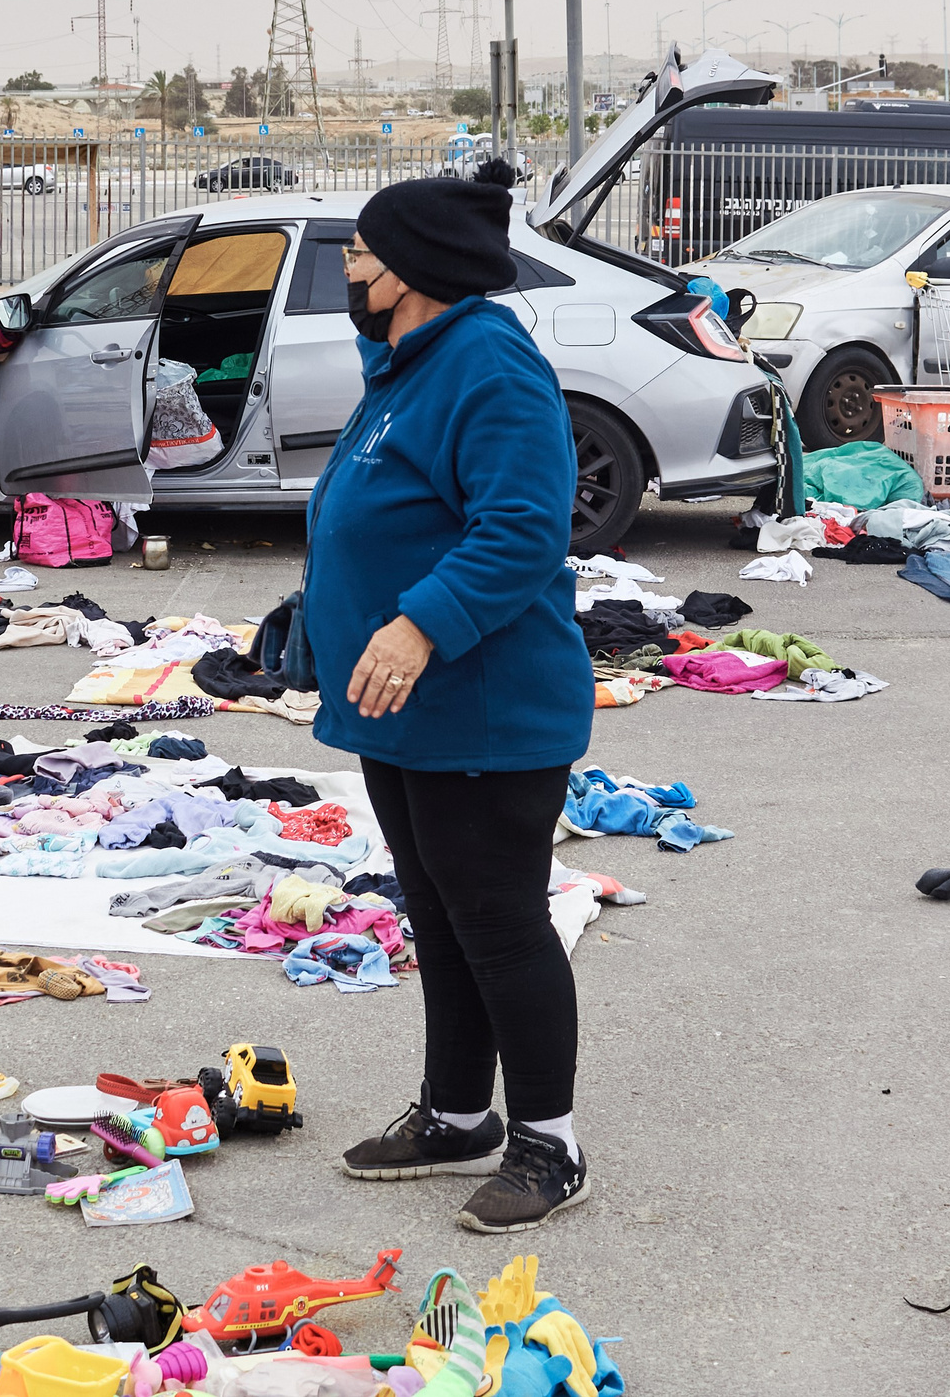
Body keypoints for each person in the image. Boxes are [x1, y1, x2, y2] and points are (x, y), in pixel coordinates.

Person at [305, 160, 595, 1234]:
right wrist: (316, 616)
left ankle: (550, 1143)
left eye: (358, 253)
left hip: (483, 702)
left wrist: (419, 621)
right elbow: (382, 510)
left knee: (500, 920)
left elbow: (523, 528)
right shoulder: (408, 362)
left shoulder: (488, 364)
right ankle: (458, 1111)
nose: (347, 269)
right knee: (439, 913)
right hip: (405, 707)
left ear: (411, 267)